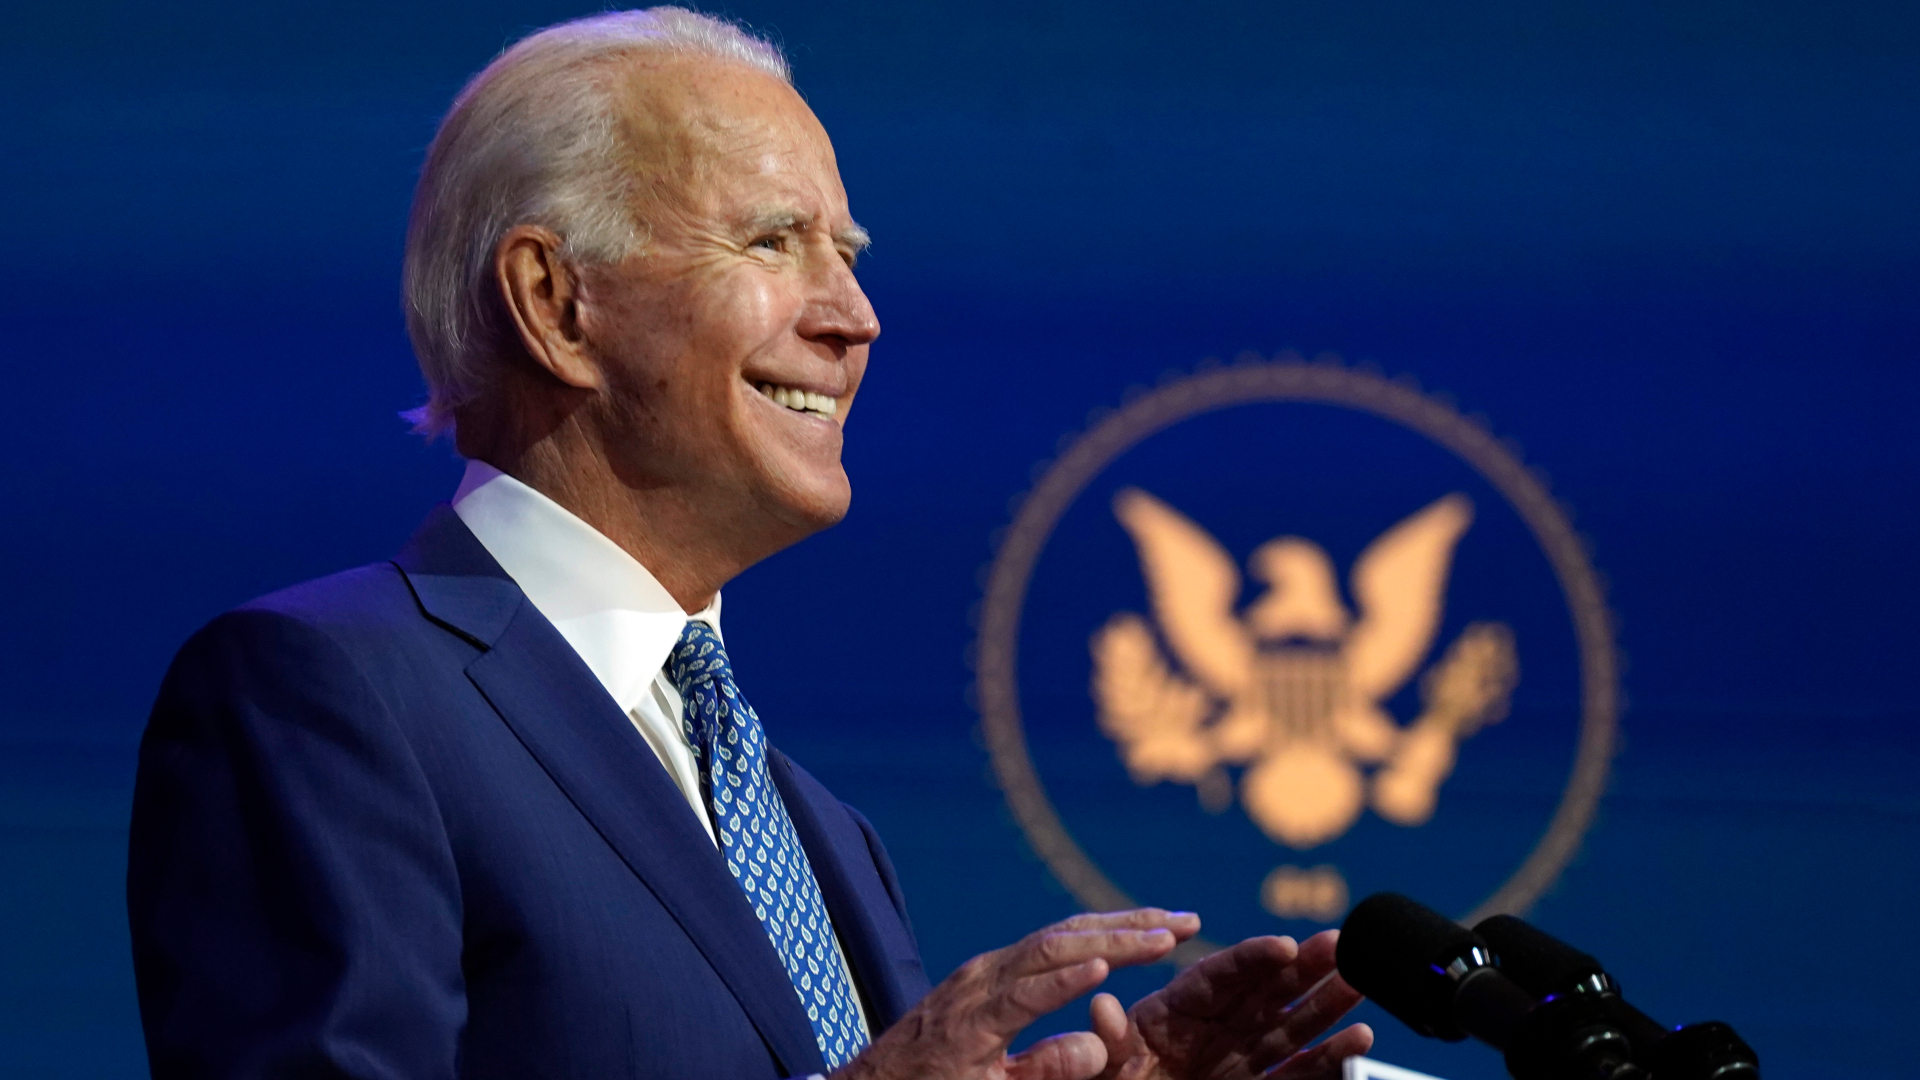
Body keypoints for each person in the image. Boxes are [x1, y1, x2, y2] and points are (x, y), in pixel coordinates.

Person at [126, 9, 1375, 1080]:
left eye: (849, 255)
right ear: (557, 305)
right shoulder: (327, 695)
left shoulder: (821, 829)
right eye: (773, 242)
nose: (856, 317)